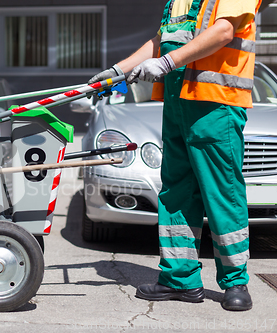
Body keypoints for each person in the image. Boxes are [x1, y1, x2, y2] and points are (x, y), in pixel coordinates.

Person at [89, 0, 261, 311]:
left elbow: (222, 31)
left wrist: (167, 63)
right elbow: (161, 40)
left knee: (222, 193)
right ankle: (180, 279)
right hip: (178, 101)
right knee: (176, 191)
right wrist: (119, 70)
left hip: (216, 104)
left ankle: (236, 282)